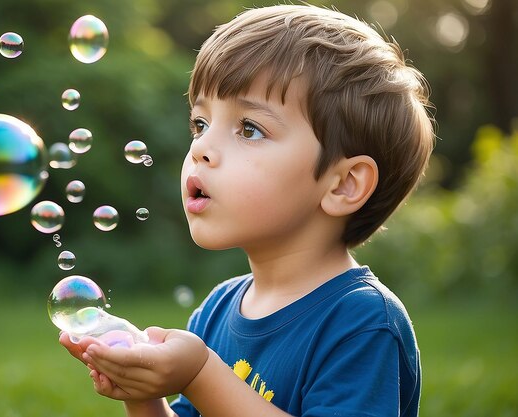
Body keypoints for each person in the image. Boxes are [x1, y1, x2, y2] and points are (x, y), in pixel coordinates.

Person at [60, 4, 435, 417]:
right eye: (200, 124)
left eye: (249, 129)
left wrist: (201, 374)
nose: (200, 148)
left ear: (343, 184)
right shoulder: (218, 308)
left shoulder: (361, 323)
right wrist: (143, 392)